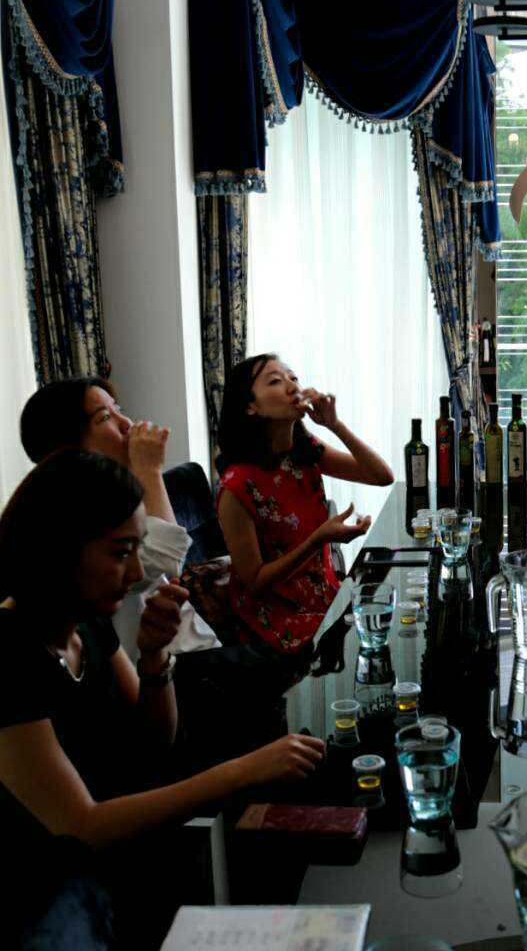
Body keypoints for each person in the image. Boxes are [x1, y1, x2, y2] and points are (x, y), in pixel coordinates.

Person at [0, 450, 326, 850]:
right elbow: (81, 826)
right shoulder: (9, 653)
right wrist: (242, 771)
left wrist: (154, 656)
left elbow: (155, 742)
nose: (138, 572)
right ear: (59, 548)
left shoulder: (86, 621)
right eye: (121, 552)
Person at [20, 377, 217, 661]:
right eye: (105, 417)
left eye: (119, 409)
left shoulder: (118, 492)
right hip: (166, 665)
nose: (126, 423)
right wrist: (150, 469)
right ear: (68, 447)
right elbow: (165, 561)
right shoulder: (65, 519)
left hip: (198, 646)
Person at [216, 355, 393, 656]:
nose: (292, 386)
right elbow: (255, 583)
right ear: (250, 407)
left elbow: (381, 476)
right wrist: (318, 539)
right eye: (275, 381)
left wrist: (335, 425)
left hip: (324, 595)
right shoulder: (236, 486)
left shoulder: (304, 449)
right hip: (278, 618)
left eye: (293, 378)